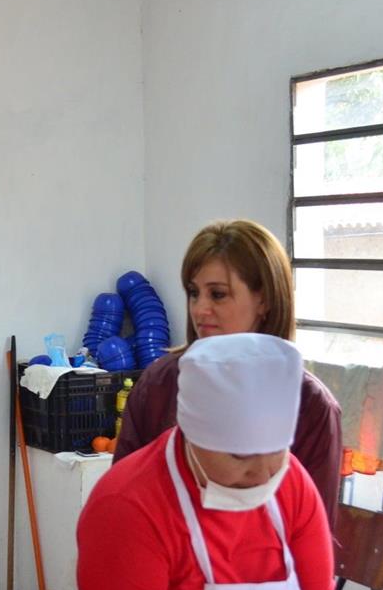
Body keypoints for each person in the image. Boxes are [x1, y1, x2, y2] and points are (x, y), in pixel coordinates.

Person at [57, 333, 343, 590]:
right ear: (193, 433)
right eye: (240, 456)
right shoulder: (128, 505)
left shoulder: (292, 485)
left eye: (277, 450)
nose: (263, 473)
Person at [113, 219, 343, 524]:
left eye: (218, 294)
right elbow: (122, 499)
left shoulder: (312, 406)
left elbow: (312, 530)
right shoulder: (158, 384)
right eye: (194, 293)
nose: (199, 309)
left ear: (264, 300)